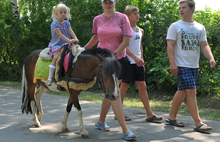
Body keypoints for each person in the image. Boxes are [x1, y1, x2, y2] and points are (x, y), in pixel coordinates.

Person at [84, 0, 136, 141]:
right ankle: (125, 130)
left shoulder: (122, 18)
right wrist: (83, 50)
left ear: (114, 3)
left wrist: (113, 55)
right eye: (105, 2)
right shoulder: (97, 19)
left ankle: (101, 121)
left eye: (110, 2)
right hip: (103, 62)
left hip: (118, 61)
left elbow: (126, 41)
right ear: (102, 4)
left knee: (112, 92)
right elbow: (96, 37)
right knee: (113, 93)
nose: (108, 4)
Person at [166, 0, 216, 132]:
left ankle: (171, 117)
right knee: (191, 91)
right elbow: (170, 45)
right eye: (179, 8)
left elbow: (204, 45)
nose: (181, 10)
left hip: (194, 65)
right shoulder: (175, 26)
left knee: (182, 91)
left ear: (192, 8)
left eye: (184, 8)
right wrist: (172, 63)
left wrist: (210, 57)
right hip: (182, 64)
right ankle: (198, 123)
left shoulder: (200, 27)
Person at [115, 5, 163, 122]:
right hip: (127, 62)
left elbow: (140, 46)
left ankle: (149, 114)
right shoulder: (124, 30)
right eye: (134, 14)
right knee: (124, 87)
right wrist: (135, 58)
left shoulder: (141, 30)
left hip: (138, 62)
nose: (138, 15)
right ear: (128, 16)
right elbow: (124, 47)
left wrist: (141, 59)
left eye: (138, 13)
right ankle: (118, 113)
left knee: (142, 86)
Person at [46, 3, 79, 86]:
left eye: (65, 12)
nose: (63, 14)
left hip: (67, 43)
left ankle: (69, 75)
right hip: (57, 44)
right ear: (56, 13)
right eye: (61, 12)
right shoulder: (54, 24)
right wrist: (69, 40)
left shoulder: (67, 23)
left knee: (76, 54)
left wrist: (75, 38)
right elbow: (60, 34)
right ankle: (50, 78)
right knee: (56, 57)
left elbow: (71, 31)